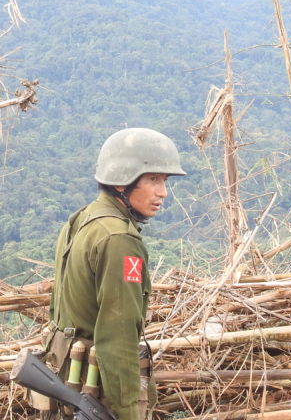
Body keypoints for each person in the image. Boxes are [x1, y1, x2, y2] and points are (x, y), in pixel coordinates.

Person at [45, 128, 186, 420]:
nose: (162, 192)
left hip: (66, 382)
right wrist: (128, 410)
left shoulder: (82, 218)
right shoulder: (119, 239)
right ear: (123, 181)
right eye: (153, 179)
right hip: (98, 393)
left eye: (164, 181)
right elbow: (118, 334)